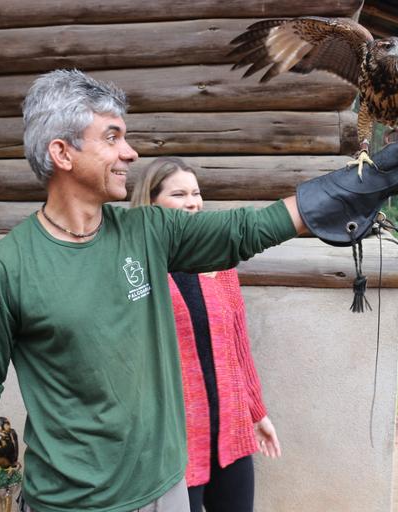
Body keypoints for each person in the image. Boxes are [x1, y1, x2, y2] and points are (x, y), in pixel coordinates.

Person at [0, 68, 398, 512]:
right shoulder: (4, 270)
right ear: (62, 153)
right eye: (112, 137)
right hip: (69, 503)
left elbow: (247, 230)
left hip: (167, 491)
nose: (130, 152)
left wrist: (362, 185)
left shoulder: (147, 233)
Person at [131, 158, 281, 512]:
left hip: (232, 432)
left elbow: (239, 348)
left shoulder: (221, 263)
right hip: (174, 444)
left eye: (196, 193)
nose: (193, 202)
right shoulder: (139, 270)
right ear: (150, 205)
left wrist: (258, 414)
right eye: (179, 194)